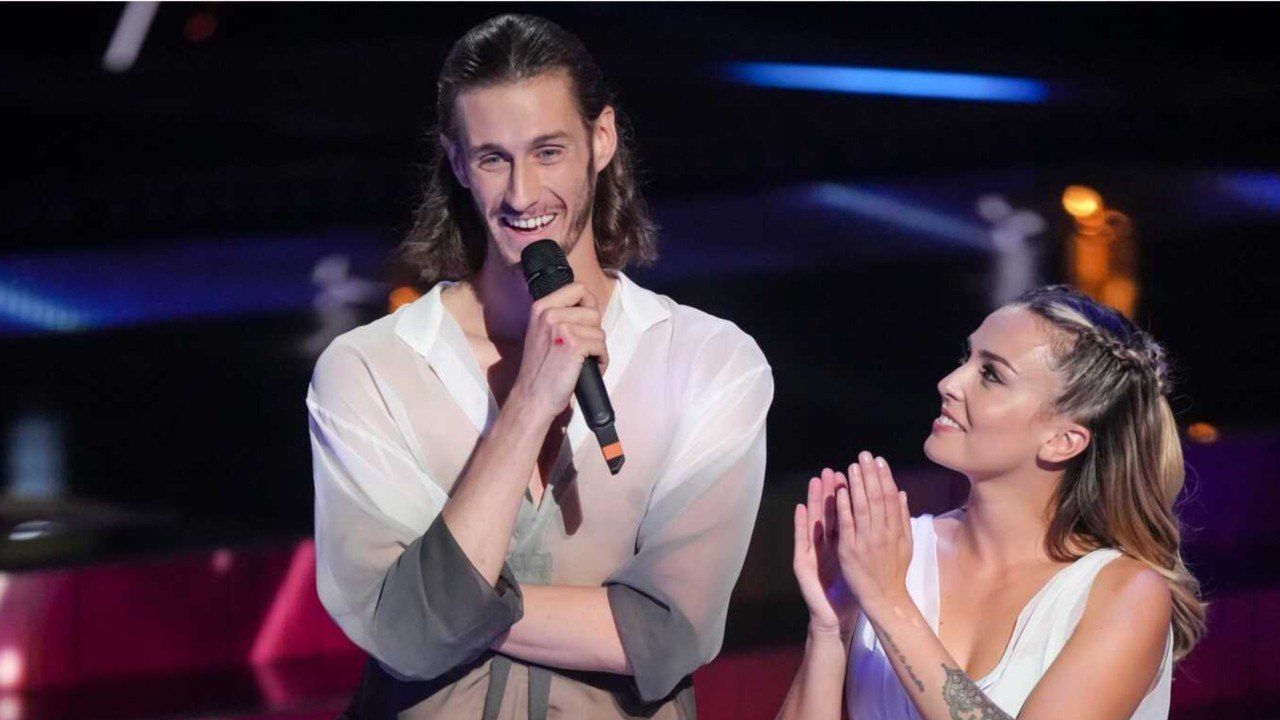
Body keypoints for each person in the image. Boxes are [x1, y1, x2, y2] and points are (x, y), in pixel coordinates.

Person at [306, 14, 773, 720]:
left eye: (548, 151)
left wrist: (455, 605)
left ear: (601, 139)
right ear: (457, 163)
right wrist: (527, 403)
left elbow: (669, 632)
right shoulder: (369, 372)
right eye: (493, 158)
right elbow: (404, 637)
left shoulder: (710, 363)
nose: (523, 195)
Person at [777, 285, 1205, 720]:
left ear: (1062, 440)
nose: (949, 383)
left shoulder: (1123, 593)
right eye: (967, 359)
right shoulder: (889, 554)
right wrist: (831, 624)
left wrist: (889, 602)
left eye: (991, 375)